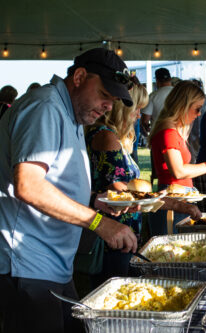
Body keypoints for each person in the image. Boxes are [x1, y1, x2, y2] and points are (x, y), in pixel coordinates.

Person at [0, 48, 138, 333]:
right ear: (79, 77)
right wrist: (99, 222)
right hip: (26, 262)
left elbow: (53, 183)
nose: (109, 106)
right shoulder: (45, 107)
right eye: (104, 94)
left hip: (51, 262)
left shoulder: (69, 112)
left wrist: (94, 202)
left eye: (113, 100)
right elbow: (28, 185)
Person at [85, 77, 201, 284]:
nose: (139, 115)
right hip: (113, 228)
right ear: (121, 108)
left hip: (122, 226)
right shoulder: (106, 137)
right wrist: (174, 204)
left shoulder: (108, 135)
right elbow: (124, 194)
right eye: (136, 109)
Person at [149, 80, 206, 234]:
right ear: (183, 106)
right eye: (197, 109)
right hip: (172, 202)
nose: (199, 114)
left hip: (179, 197)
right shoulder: (168, 133)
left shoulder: (172, 131)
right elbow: (178, 171)